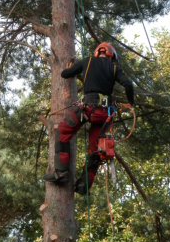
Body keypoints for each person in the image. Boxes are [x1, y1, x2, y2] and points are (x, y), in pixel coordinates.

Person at [43, 42, 134, 195]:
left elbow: (65, 74)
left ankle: (62, 174)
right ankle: (84, 185)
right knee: (95, 150)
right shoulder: (114, 68)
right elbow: (128, 84)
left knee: (63, 132)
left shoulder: (88, 61)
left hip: (88, 109)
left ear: (98, 52)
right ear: (112, 56)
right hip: (105, 115)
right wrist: (131, 103)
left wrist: (79, 70)